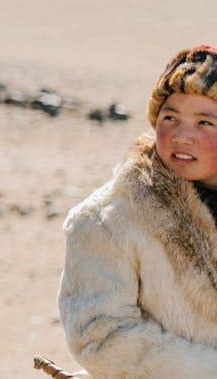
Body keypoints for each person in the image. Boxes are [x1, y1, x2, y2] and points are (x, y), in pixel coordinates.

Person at [58, 45, 217, 377]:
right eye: (170, 118)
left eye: (205, 122)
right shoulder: (106, 221)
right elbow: (101, 338)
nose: (182, 136)